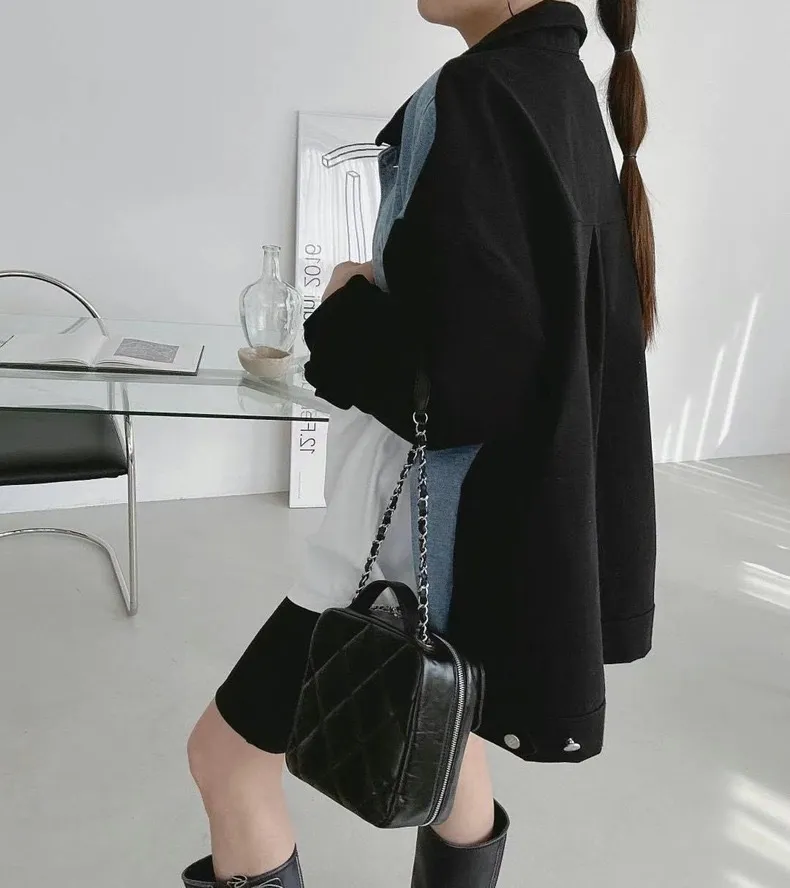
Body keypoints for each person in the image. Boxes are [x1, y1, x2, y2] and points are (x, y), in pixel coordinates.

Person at [183, 0, 657, 885]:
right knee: (452, 742)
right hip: (480, 538)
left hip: (406, 544)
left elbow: (467, 386)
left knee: (226, 761)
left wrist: (343, 307)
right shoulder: (561, 86)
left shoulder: (476, 93)